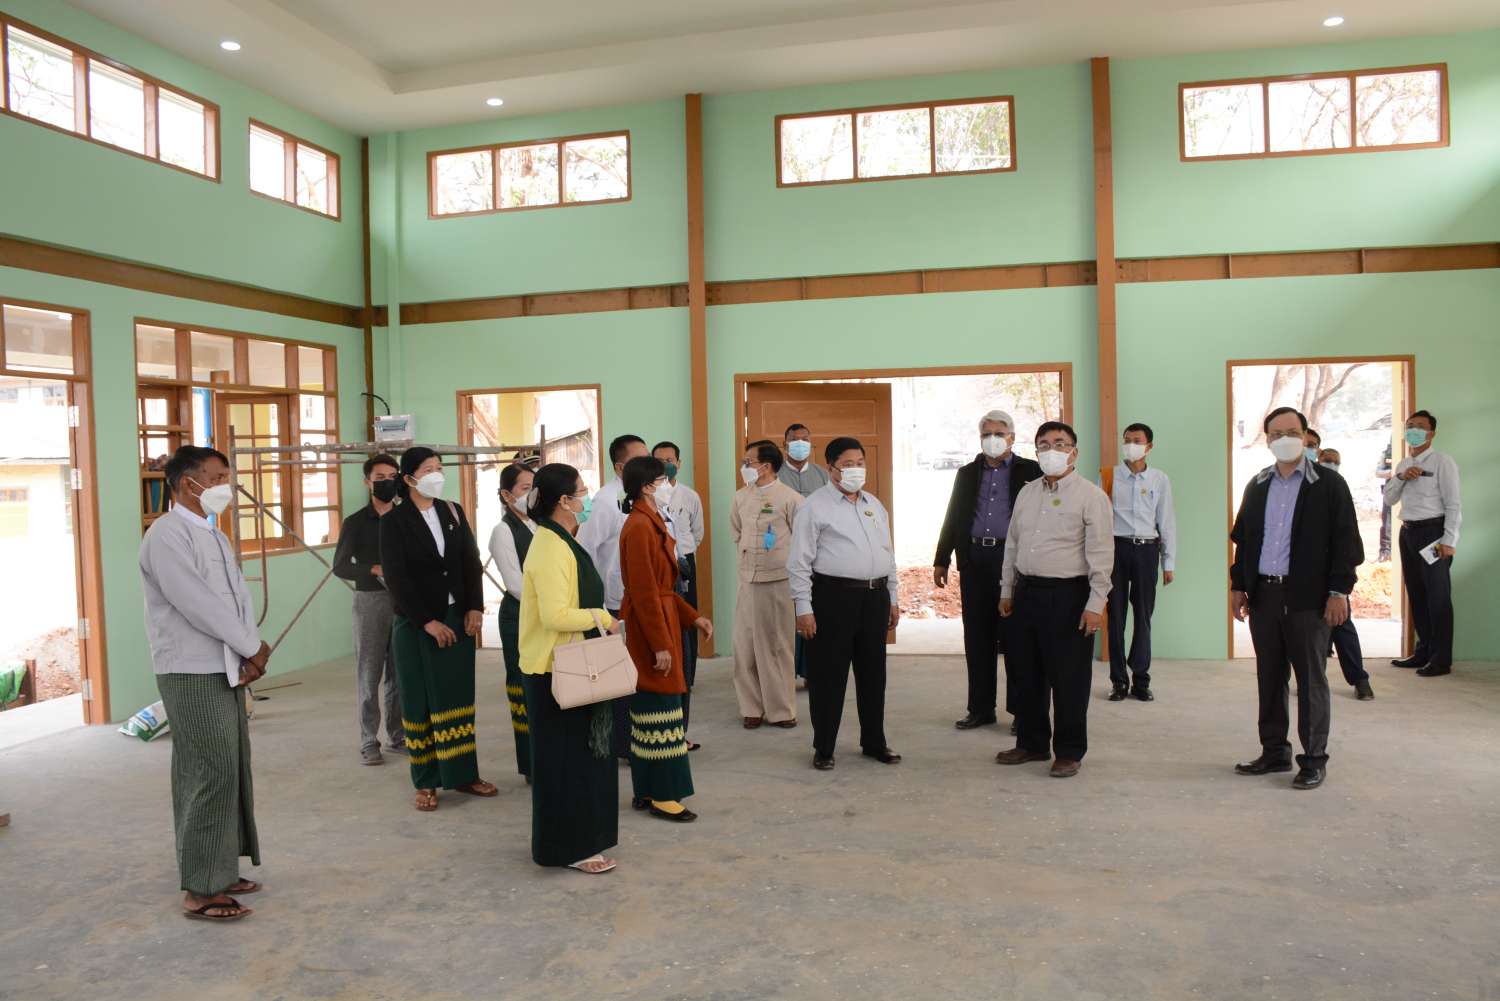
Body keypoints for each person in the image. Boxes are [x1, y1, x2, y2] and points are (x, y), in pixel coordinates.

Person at [139, 446, 270, 922]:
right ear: (186, 484)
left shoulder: (212, 533)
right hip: (190, 669)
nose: (223, 487)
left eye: (225, 477)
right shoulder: (166, 536)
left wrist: (248, 649)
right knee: (208, 770)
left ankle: (221, 868)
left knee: (230, 765)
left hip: (224, 663)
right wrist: (250, 646)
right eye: (215, 478)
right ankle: (201, 888)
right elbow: (198, 604)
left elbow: (236, 599)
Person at [1230, 407, 1362, 791]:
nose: (1284, 439)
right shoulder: (1258, 484)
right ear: (1267, 440)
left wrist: (1339, 591)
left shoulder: (1329, 485)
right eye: (1276, 433)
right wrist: (1239, 585)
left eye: (1291, 432)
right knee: (1270, 677)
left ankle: (1314, 759)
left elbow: (1346, 543)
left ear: (1305, 436)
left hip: (1309, 598)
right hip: (1265, 595)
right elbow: (1245, 541)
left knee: (1310, 680)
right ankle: (1274, 751)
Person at [379, 447, 497, 811]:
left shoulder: (452, 511)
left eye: (439, 468)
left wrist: (475, 607)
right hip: (417, 624)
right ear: (409, 478)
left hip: (456, 617)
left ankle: (464, 774)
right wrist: (427, 622)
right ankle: (426, 781)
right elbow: (397, 578)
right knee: (420, 701)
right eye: (428, 469)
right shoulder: (394, 522)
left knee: (457, 698)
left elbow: (470, 561)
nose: (437, 475)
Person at [518, 463, 621, 874]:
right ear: (564, 501)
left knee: (582, 759)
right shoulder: (549, 546)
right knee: (564, 762)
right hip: (553, 668)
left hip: (576, 660)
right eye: (581, 491)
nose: (586, 497)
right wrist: (604, 617)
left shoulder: (563, 539)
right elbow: (555, 615)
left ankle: (582, 839)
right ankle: (568, 847)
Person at [996, 422, 1113, 779]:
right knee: (1026, 673)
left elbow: (1101, 555)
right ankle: (1032, 743)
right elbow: (1012, 544)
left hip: (1068, 596)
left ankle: (1069, 751)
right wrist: (1006, 589)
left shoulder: (1091, 496)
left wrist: (1096, 604)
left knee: (1069, 678)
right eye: (1044, 444)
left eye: (1060, 443)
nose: (1052, 450)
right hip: (1026, 593)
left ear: (1074, 451)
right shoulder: (1027, 493)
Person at [787, 436, 901, 770]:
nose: (855, 469)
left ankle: (874, 741)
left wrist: (893, 598)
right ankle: (824, 747)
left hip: (875, 597)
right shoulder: (814, 507)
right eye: (848, 464)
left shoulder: (873, 504)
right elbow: (799, 562)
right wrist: (803, 608)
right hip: (833, 598)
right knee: (828, 676)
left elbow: (888, 554)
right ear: (831, 468)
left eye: (860, 463)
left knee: (873, 674)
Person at [933, 410, 1042, 732]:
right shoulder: (967, 473)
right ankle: (980, 708)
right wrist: (942, 558)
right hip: (975, 559)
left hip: (1013, 561)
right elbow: (953, 515)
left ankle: (1021, 711)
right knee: (977, 637)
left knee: (1016, 638)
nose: (992, 439)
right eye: (986, 434)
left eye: (999, 433)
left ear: (1012, 438)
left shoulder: (1031, 471)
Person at [618, 456, 713, 822]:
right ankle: (664, 795)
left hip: (661, 617)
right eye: (662, 480)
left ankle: (646, 788)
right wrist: (660, 645)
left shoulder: (652, 520)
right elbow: (645, 594)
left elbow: (664, 589)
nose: (668, 486)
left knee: (649, 711)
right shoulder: (639, 526)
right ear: (646, 487)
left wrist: (693, 616)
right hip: (650, 628)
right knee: (661, 710)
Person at [578, 433, 649, 756]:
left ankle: (636, 737)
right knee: (620, 676)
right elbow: (586, 552)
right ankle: (623, 743)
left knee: (638, 672)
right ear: (620, 467)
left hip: (638, 598)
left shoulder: (642, 495)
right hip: (614, 603)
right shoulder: (606, 502)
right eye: (638, 459)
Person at [332, 454, 406, 766]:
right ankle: (368, 740)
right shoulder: (355, 522)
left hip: (403, 602)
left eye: (392, 476)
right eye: (380, 477)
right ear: (367, 482)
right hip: (370, 602)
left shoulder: (407, 518)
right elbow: (340, 566)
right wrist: (372, 569)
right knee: (369, 673)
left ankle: (397, 736)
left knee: (399, 675)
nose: (387, 482)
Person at [730, 439, 804, 729]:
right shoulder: (740, 497)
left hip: (778, 581)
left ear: (767, 466)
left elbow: (802, 541)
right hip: (748, 581)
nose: (744, 466)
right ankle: (751, 708)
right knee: (744, 646)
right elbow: (737, 532)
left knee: (777, 647)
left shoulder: (791, 499)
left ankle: (782, 710)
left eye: (748, 462)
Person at [1104, 422, 1177, 703]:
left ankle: (1141, 680)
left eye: (1137, 440)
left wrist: (1168, 563)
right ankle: (1118, 681)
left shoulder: (1159, 479)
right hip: (1117, 550)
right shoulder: (1109, 476)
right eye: (1127, 440)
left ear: (1149, 446)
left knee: (1143, 616)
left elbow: (1166, 521)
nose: (1131, 445)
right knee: (1116, 617)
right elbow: (1100, 519)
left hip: (1147, 551)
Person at [1385, 410, 1461, 677]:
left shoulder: (1443, 461)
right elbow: (1389, 499)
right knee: (1416, 593)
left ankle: (1441, 660)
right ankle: (1423, 651)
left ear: (1431, 433)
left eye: (1419, 426)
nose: (1413, 430)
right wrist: (1401, 477)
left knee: (1437, 596)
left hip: (1433, 534)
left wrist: (1449, 540)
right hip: (1408, 533)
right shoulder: (1403, 464)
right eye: (1410, 426)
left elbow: (1453, 504)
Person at [652, 440, 706, 745]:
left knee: (689, 617)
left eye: (670, 460)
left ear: (679, 463)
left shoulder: (690, 496)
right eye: (659, 460)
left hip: (684, 561)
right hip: (663, 564)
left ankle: (689, 675)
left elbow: (697, 531)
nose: (665, 465)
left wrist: (684, 554)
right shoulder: (650, 495)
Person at [487, 463, 536, 780]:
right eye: (524, 488)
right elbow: (515, 584)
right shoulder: (503, 531)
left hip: (544, 614)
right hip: (520, 615)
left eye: (534, 487)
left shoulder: (539, 524)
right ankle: (531, 764)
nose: (531, 494)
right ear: (506, 495)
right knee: (523, 686)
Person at [1319, 447, 1375, 701]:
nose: (1330, 464)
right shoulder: (1298, 488)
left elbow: (1348, 539)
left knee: (1341, 624)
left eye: (1335, 461)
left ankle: (1360, 679)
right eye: (1326, 460)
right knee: (1307, 632)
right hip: (1303, 574)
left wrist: (1340, 586)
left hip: (1334, 573)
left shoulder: (1339, 488)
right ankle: (1311, 680)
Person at [779, 423, 828, 691]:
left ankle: (812, 672)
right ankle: (785, 672)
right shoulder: (775, 476)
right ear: (784, 445)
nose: (800, 443)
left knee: (813, 615)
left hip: (818, 558)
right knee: (785, 619)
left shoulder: (822, 475)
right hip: (785, 557)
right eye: (794, 439)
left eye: (805, 439)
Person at [1376, 444, 1393, 562]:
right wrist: (1392, 472)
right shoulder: (1386, 454)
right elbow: (1378, 472)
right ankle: (1385, 552)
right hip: (1390, 490)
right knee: (1387, 522)